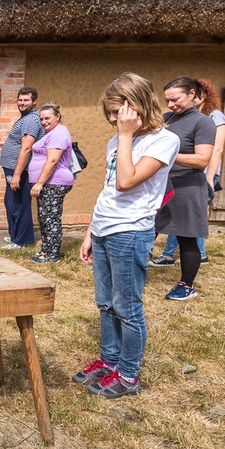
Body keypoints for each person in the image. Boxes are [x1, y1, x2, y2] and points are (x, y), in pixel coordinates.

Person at [75, 73, 180, 399]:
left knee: (127, 307)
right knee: (105, 303)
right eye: (108, 113)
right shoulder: (116, 141)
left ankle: (129, 374)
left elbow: (126, 180)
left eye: (115, 112)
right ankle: (109, 361)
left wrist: (125, 136)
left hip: (130, 232)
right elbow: (108, 188)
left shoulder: (164, 140)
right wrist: (91, 231)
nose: (111, 120)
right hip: (105, 229)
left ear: (136, 107)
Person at [150, 78, 225, 267]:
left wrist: (167, 156)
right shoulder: (166, 119)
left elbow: (202, 159)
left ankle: (186, 285)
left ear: (192, 94)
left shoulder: (203, 123)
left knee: (186, 238)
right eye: (167, 100)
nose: (170, 105)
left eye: (175, 99)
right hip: (161, 185)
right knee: (148, 231)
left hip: (187, 187)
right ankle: (135, 276)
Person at [28, 103, 74, 262]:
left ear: (58, 116)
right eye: (41, 119)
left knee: (51, 218)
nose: (43, 122)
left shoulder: (59, 133)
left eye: (47, 118)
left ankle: (52, 255)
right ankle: (45, 251)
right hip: (49, 183)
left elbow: (53, 160)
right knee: (44, 217)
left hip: (54, 182)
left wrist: (39, 183)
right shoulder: (51, 133)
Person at [0, 87, 44, 249]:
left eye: (26, 100)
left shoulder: (31, 120)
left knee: (18, 204)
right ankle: (15, 236)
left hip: (20, 170)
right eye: (20, 100)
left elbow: (26, 148)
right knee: (11, 202)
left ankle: (20, 241)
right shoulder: (25, 118)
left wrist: (17, 175)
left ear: (34, 101)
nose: (22, 103)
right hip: (12, 168)